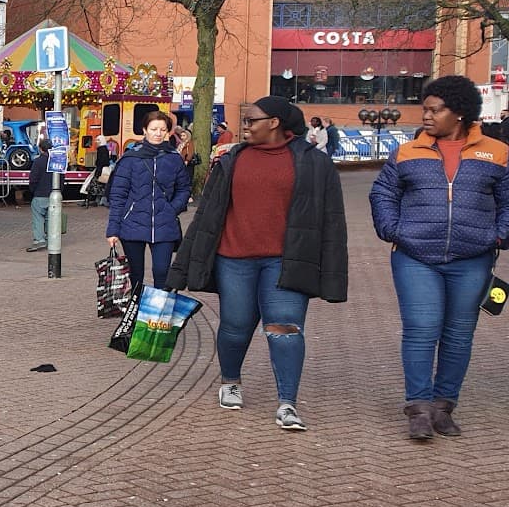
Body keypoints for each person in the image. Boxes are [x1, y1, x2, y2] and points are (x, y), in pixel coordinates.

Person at [167, 96, 348, 433]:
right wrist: (180, 267)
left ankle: (287, 403)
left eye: (252, 120)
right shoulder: (232, 159)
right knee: (235, 327)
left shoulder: (314, 163)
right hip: (234, 260)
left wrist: (334, 274)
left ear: (275, 123)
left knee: (285, 330)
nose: (245, 126)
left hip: (286, 262)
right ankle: (231, 380)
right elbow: (207, 216)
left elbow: (333, 221)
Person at [369, 75, 509, 440]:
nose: (426, 116)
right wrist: (393, 229)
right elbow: (383, 192)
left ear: (459, 112)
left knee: (459, 334)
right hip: (415, 256)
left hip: (473, 257)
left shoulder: (496, 152)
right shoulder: (407, 152)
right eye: (425, 109)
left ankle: (444, 406)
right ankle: (418, 408)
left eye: (435, 110)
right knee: (421, 329)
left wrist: (499, 234)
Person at [106, 111, 191, 288]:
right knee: (136, 274)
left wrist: (172, 209)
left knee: (162, 272)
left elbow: (183, 188)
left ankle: (159, 313)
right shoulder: (130, 159)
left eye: (162, 129)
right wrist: (112, 230)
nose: (158, 133)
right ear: (145, 130)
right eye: (154, 129)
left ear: (168, 131)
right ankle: (136, 311)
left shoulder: (174, 159)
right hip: (132, 224)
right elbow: (118, 195)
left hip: (164, 224)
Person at [26, 139, 53, 252]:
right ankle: (51, 239)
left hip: (40, 194)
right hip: (53, 194)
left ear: (40, 148)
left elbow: (33, 179)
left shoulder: (38, 162)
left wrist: (33, 190)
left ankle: (39, 240)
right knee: (50, 218)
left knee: (38, 218)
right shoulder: (56, 162)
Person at [79, 135, 113, 207]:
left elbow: (101, 161)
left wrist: (98, 168)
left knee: (92, 186)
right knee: (101, 186)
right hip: (103, 170)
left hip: (100, 170)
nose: (96, 142)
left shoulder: (101, 149)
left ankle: (89, 201)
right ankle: (97, 201)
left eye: (98, 140)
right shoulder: (105, 149)